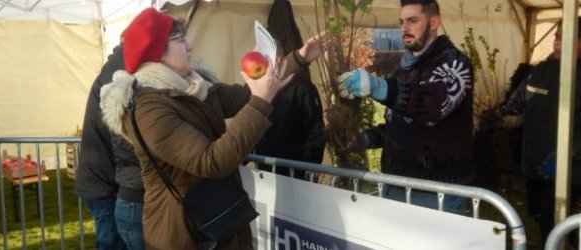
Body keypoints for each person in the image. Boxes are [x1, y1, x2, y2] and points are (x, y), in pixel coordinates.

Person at [99, 8, 327, 249]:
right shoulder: (148, 109)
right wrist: (260, 104)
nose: (189, 46)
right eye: (179, 40)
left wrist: (299, 58)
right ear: (157, 53)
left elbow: (245, 95)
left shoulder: (193, 87)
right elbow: (210, 161)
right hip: (183, 231)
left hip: (216, 218)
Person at [338, 0, 475, 215]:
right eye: (401, 22)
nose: (404, 28)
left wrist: (380, 87)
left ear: (434, 22)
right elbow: (398, 124)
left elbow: (435, 104)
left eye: (413, 20)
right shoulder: (403, 70)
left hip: (437, 193)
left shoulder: (455, 63)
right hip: (396, 185)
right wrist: (364, 139)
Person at [498, 18, 581, 245]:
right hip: (534, 164)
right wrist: (498, 115)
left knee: (549, 222)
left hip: (568, 170)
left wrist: (569, 154)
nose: (557, 43)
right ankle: (574, 235)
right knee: (536, 212)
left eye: (566, 39)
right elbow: (518, 100)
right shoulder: (539, 72)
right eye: (556, 37)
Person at [76, 44, 145, 250]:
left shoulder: (116, 69)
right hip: (103, 185)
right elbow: (124, 142)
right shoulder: (118, 75)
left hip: (102, 181)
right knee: (111, 243)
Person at [254, 1, 326, 179]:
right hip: (276, 175)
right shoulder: (262, 89)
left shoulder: (302, 89)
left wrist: (303, 171)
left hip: (288, 176)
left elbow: (315, 136)